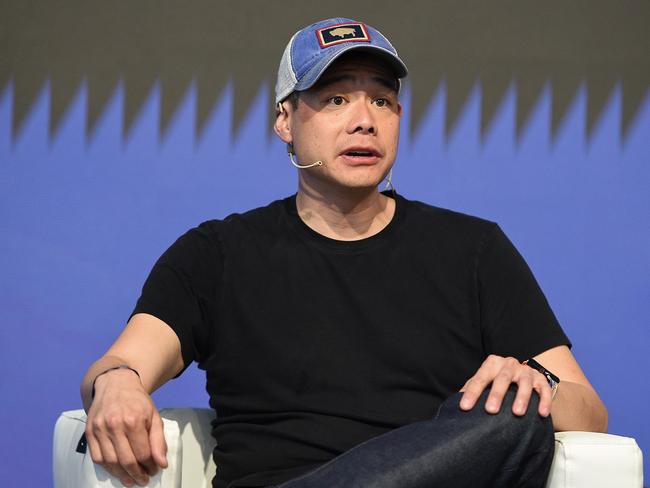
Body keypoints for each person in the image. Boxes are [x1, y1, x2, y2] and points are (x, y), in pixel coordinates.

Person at [80, 17, 608, 488]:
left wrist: (541, 386)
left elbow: (589, 411)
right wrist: (117, 384)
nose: (364, 120)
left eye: (381, 101)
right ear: (285, 120)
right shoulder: (215, 254)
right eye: (335, 99)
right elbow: (122, 361)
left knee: (514, 418)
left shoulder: (474, 249)